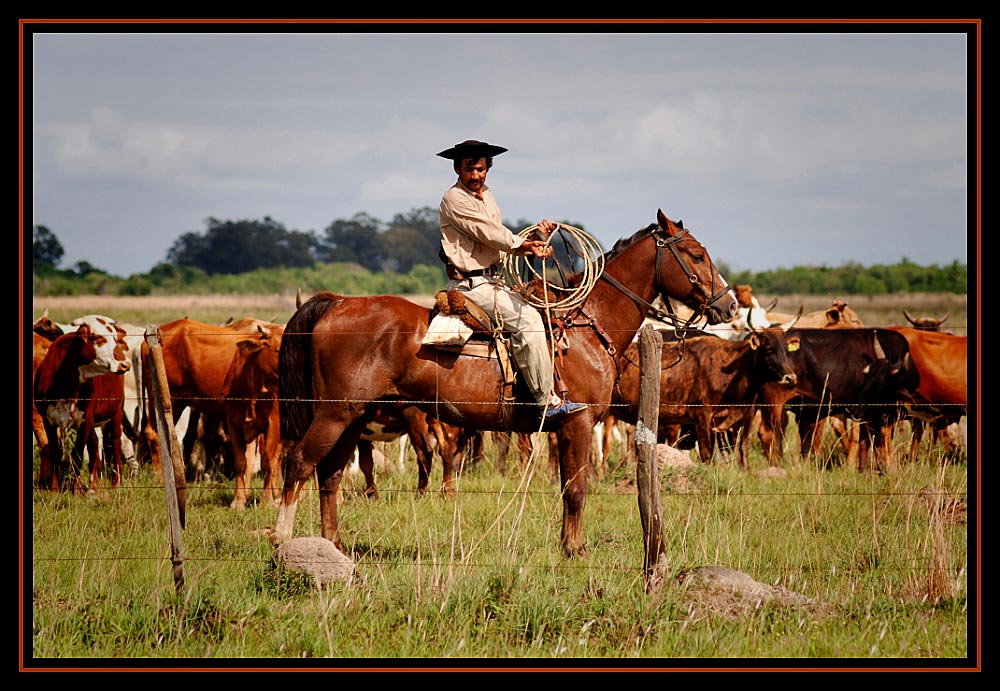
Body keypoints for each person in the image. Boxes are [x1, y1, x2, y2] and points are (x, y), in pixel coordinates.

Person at [436, 139, 587, 421]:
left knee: (545, 314)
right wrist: (525, 245)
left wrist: (534, 241)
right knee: (527, 320)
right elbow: (489, 233)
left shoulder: (486, 195)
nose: (476, 176)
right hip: (471, 285)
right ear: (457, 168)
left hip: (492, 281)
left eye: (481, 169)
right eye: (469, 169)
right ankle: (544, 401)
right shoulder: (453, 199)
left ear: (487, 169)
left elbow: (496, 239)